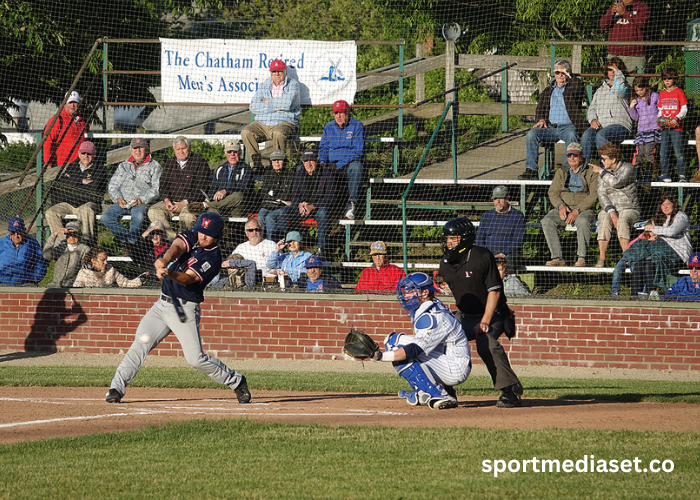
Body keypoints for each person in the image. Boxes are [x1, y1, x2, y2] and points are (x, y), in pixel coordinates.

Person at [105, 212, 251, 405]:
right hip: (162, 305)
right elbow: (177, 246)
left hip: (184, 309)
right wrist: (164, 260)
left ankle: (237, 381)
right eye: (201, 231)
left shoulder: (214, 258)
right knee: (140, 344)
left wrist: (170, 272)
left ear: (217, 236)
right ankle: (116, 388)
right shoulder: (194, 236)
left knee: (195, 359)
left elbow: (188, 278)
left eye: (208, 234)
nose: (202, 236)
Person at [439, 217, 523, 408]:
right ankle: (445, 390)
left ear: (465, 239)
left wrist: (485, 321)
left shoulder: (482, 256)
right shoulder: (445, 263)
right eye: (447, 238)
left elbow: (494, 290)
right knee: (440, 339)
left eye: (454, 238)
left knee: (486, 342)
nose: (449, 242)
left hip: (493, 312)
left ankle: (510, 390)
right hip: (465, 314)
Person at [369, 272, 470, 410]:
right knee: (392, 340)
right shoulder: (427, 306)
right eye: (406, 292)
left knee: (396, 344)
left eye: (410, 291)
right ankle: (425, 391)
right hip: (447, 357)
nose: (406, 296)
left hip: (455, 367)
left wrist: (380, 356)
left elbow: (415, 349)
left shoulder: (433, 316)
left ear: (425, 293)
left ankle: (438, 394)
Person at [518, 59, 587, 180]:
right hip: (551, 128)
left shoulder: (574, 87)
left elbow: (579, 87)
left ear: (568, 73)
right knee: (532, 134)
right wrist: (541, 119)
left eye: (563, 72)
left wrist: (570, 75)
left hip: (568, 127)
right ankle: (531, 170)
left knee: (572, 135)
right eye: (557, 72)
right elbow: (540, 107)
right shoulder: (548, 90)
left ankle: (567, 171)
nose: (560, 75)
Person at [265, 149, 337, 258]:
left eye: (311, 160)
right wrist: (299, 204)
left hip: (318, 208)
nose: (308, 163)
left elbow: (330, 198)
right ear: (302, 162)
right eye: (306, 161)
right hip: (300, 209)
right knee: (281, 213)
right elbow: (294, 195)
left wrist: (312, 206)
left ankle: (322, 249)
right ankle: (281, 247)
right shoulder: (299, 174)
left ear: (316, 161)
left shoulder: (327, 174)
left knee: (322, 214)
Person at [541, 142, 599, 267]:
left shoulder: (591, 171)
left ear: (582, 155)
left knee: (583, 221)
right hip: (564, 207)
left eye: (575, 155)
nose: (572, 158)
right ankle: (557, 258)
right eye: (569, 155)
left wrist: (577, 210)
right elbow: (552, 192)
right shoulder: (562, 171)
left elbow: (594, 195)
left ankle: (582, 258)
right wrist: (560, 206)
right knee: (547, 220)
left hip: (585, 209)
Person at [44, 140, 109, 245]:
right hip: (69, 203)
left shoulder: (100, 169)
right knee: (51, 212)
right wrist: (81, 181)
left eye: (89, 153)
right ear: (79, 154)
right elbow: (62, 183)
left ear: (94, 154)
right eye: (83, 153)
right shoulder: (72, 166)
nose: (86, 156)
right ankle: (62, 244)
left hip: (88, 203)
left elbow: (95, 189)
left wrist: (73, 182)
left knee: (87, 210)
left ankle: (88, 244)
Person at [101, 138, 162, 249]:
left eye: (141, 147)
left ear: (147, 149)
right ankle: (128, 242)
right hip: (123, 202)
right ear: (130, 150)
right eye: (135, 148)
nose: (138, 151)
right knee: (106, 217)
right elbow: (113, 186)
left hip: (141, 203)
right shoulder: (123, 166)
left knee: (138, 216)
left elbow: (157, 188)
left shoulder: (155, 166)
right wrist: (118, 198)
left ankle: (132, 244)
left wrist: (142, 199)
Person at [241, 59, 301, 170]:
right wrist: (277, 107)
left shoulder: (293, 85)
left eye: (280, 71)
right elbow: (253, 106)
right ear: (270, 73)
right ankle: (256, 165)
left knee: (278, 133)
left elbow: (287, 104)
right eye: (274, 71)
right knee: (246, 132)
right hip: (262, 123)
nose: (277, 74)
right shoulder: (264, 85)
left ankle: (279, 168)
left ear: (285, 71)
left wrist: (268, 101)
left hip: (284, 122)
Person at [147, 136, 211, 240]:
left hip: (190, 203)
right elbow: (163, 184)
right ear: (174, 150)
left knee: (187, 217)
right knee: (153, 211)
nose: (181, 151)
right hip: (172, 203)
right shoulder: (170, 163)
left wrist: (185, 202)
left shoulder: (200, 162)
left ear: (189, 148)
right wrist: (166, 200)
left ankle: (184, 240)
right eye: (178, 149)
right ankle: (173, 239)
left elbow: (202, 188)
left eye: (183, 148)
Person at [629, 192, 691, 297]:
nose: (665, 207)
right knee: (639, 264)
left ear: (674, 204)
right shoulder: (663, 218)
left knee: (649, 263)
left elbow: (672, 231)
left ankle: (651, 295)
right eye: (662, 204)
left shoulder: (681, 217)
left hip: (678, 256)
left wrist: (653, 228)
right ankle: (634, 296)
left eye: (667, 204)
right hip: (661, 254)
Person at [591, 142, 640, 267]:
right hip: (610, 208)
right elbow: (601, 194)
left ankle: (626, 257)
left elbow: (617, 182)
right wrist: (611, 211)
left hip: (629, 208)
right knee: (603, 218)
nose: (602, 161)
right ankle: (602, 258)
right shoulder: (603, 172)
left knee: (622, 221)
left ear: (613, 159)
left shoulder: (628, 168)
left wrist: (602, 172)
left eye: (604, 158)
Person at [580, 58, 632, 166]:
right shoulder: (600, 90)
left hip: (620, 126)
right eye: (610, 69)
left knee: (601, 135)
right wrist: (593, 119)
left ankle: (605, 167)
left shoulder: (624, 87)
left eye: (615, 69)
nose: (612, 72)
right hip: (601, 126)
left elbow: (620, 92)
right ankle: (583, 168)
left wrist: (619, 75)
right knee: (587, 135)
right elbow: (592, 108)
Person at [319, 100, 365, 219]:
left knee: (356, 167)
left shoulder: (357, 125)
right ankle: (323, 208)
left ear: (347, 113)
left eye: (341, 112)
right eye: (336, 113)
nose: (338, 116)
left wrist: (339, 165)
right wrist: (323, 161)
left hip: (348, 163)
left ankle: (351, 205)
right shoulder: (328, 127)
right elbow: (323, 147)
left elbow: (358, 151)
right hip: (331, 164)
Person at [194, 140, 253, 218]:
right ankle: (210, 206)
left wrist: (225, 191)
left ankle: (207, 205)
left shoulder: (246, 169)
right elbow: (213, 188)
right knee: (212, 211)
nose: (232, 155)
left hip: (237, 205)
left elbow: (244, 189)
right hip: (220, 203)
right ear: (225, 153)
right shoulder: (220, 169)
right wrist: (210, 197)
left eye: (235, 152)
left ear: (240, 153)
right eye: (229, 152)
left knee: (238, 195)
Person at [475, 185, 525, 268]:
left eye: (501, 198)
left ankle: (509, 280)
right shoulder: (486, 215)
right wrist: (485, 253)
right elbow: (479, 238)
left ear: (507, 198)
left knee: (508, 262)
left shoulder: (517, 215)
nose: (498, 201)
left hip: (508, 253)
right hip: (489, 252)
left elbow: (519, 239)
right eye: (495, 198)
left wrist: (504, 253)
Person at [599, 0, 650, 78]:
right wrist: (611, 14)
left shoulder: (642, 7)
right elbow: (603, 25)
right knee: (614, 86)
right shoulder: (615, 7)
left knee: (634, 86)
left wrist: (625, 13)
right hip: (614, 55)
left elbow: (642, 23)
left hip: (635, 56)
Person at [221, 218, 277, 285]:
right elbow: (231, 265)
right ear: (246, 233)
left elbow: (281, 266)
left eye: (257, 229)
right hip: (246, 282)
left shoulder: (271, 245)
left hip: (268, 281)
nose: (254, 232)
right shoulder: (240, 248)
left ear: (261, 231)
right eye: (251, 230)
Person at [42, 91, 89, 169]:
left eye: (75, 102)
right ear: (65, 104)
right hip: (62, 167)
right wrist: (48, 163)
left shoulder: (83, 121)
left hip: (81, 166)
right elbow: (47, 142)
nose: (73, 105)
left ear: (79, 104)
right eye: (70, 102)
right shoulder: (57, 120)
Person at [656, 67, 688, 183]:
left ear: (674, 78)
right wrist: (659, 119)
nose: (667, 81)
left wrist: (677, 118)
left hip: (676, 128)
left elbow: (684, 109)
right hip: (664, 128)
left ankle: (682, 176)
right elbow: (660, 110)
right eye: (664, 79)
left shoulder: (679, 92)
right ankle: (665, 174)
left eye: (669, 78)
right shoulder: (662, 94)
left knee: (678, 153)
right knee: (663, 152)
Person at [627, 76, 660, 183]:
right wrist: (631, 108)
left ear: (646, 87)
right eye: (637, 90)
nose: (639, 92)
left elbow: (661, 110)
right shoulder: (636, 101)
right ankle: (634, 173)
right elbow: (636, 118)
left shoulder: (655, 96)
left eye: (641, 89)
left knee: (649, 152)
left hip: (654, 130)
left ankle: (648, 174)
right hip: (641, 131)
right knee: (638, 154)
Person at [0, 217, 48, 286]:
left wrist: (34, 278)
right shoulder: (1, 243)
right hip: (2, 283)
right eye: (13, 233)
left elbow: (41, 264)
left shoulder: (32, 243)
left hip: (25, 284)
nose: (16, 236)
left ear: (24, 231)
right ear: (9, 232)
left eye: (19, 232)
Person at [258, 149, 294, 239]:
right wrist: (280, 200)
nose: (277, 162)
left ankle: (272, 244)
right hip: (268, 205)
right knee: (260, 218)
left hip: (280, 208)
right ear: (271, 162)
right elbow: (263, 194)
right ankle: (259, 243)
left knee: (269, 218)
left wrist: (272, 195)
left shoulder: (291, 175)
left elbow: (287, 195)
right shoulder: (268, 175)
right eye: (274, 160)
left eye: (279, 160)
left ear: (285, 162)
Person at [610, 227, 655, 297]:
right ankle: (615, 291)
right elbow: (631, 244)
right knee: (617, 270)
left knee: (636, 271)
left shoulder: (656, 241)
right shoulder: (643, 236)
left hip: (637, 259)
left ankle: (641, 292)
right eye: (651, 231)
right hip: (628, 257)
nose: (653, 233)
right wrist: (628, 256)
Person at [43, 221, 90, 288]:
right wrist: (54, 234)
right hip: (56, 284)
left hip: (74, 285)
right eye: (69, 234)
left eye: (75, 233)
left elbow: (85, 269)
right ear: (65, 235)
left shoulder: (84, 249)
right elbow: (46, 255)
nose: (71, 237)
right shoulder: (61, 246)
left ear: (79, 235)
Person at [72, 247, 145, 288]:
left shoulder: (110, 269)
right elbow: (77, 290)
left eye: (106, 259)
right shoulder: (83, 272)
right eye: (102, 260)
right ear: (93, 261)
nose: (106, 262)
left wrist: (140, 280)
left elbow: (126, 283)